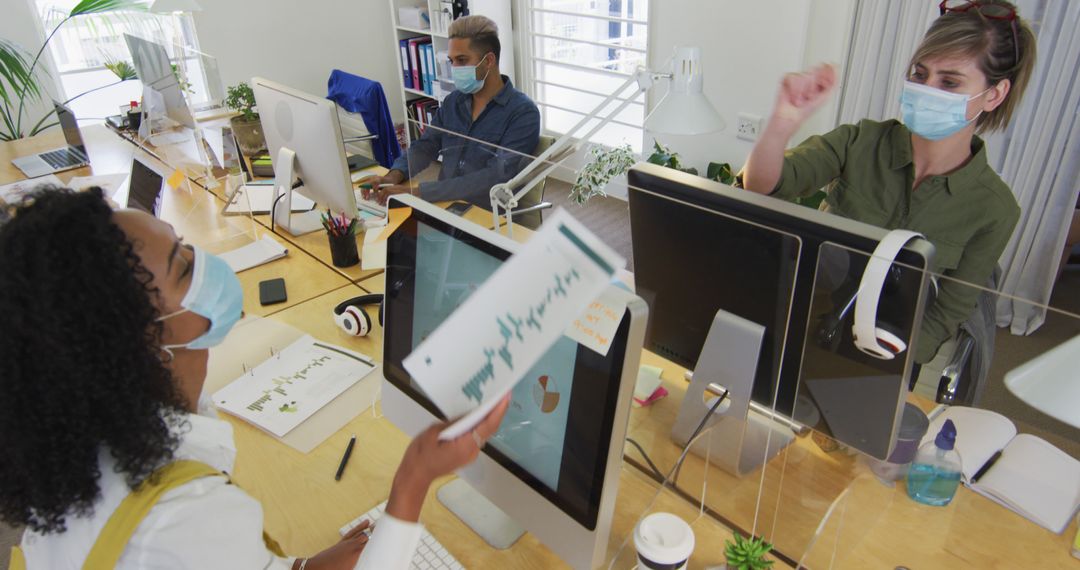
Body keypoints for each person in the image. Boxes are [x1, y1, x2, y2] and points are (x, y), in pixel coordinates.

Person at [0, 187, 510, 569]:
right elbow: (189, 551)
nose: (208, 264)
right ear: (141, 345)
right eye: (184, 266)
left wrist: (299, 568)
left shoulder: (79, 443)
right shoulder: (182, 520)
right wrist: (412, 479)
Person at [742, 0, 1036, 366]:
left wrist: (888, 369)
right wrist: (782, 122)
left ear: (994, 94)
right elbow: (763, 185)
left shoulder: (995, 209)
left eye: (949, 81)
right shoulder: (860, 141)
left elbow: (947, 312)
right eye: (919, 73)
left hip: (887, 356)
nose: (926, 88)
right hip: (802, 320)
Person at [360, 15, 540, 207]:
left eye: (462, 60)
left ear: (488, 61)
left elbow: (493, 177)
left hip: (485, 214)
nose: (454, 68)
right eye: (451, 61)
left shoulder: (523, 113)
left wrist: (418, 192)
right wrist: (393, 175)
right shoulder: (453, 101)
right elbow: (425, 146)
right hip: (442, 204)